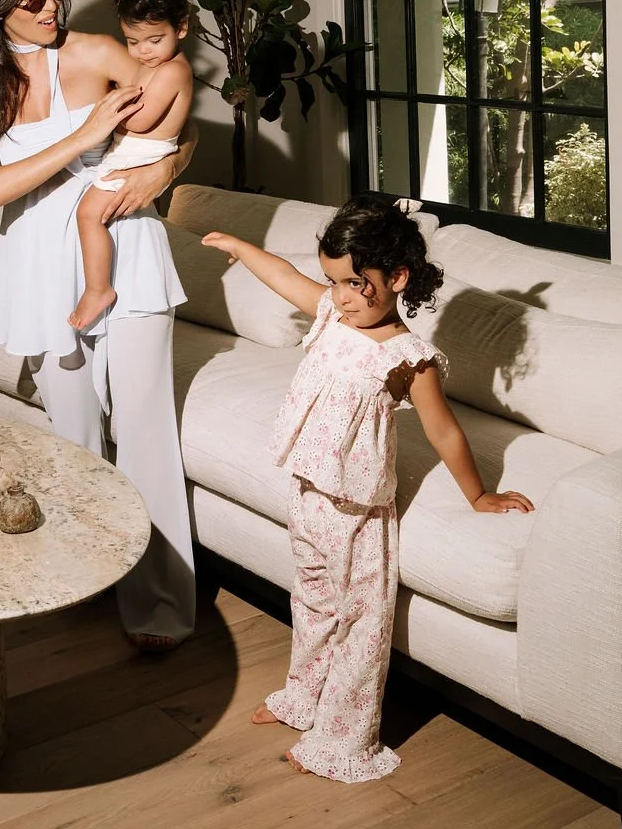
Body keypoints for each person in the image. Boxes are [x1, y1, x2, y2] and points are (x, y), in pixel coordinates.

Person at [201, 195, 534, 781]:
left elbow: (442, 430)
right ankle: (304, 699)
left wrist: (480, 496)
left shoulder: (407, 356)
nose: (342, 297)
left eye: (356, 284)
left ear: (397, 278)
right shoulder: (332, 315)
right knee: (310, 600)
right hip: (308, 492)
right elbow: (285, 277)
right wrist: (241, 247)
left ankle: (342, 738)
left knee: (361, 621)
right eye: (334, 283)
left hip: (358, 509)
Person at [0, 0, 196, 647]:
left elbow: (175, 123)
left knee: (144, 432)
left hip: (126, 247)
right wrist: (82, 139)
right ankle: (85, 576)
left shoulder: (99, 53)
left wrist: (157, 176)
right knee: (76, 437)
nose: (51, 5)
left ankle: (162, 610)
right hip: (44, 268)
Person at [70, 0, 194, 333]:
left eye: (154, 40)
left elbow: (141, 122)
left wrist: (108, 110)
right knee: (97, 215)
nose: (143, 51)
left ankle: (99, 290)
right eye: (133, 41)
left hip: (141, 155)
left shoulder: (174, 72)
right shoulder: (151, 63)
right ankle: (100, 283)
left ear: (181, 29)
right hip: (129, 151)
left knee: (88, 214)